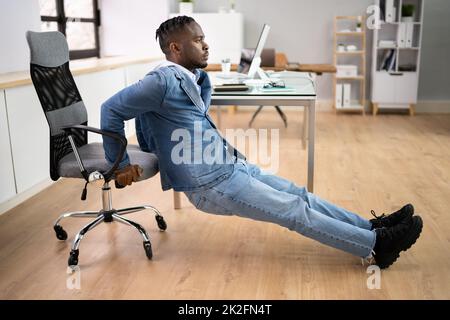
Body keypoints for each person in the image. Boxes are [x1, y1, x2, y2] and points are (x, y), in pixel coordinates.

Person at [101, 16, 422, 269]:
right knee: (294, 210)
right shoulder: (159, 81)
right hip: (207, 184)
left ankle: (370, 227)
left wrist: (203, 76)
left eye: (204, 39)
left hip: (227, 165)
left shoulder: (189, 76)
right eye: (197, 41)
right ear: (174, 48)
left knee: (300, 195)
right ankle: (376, 247)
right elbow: (110, 109)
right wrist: (121, 162)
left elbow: (193, 112)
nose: (206, 45)